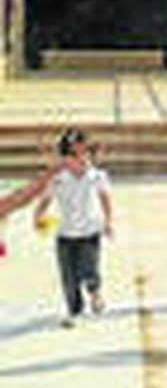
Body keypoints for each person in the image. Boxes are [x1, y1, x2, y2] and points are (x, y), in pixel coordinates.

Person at [33, 129, 112, 326]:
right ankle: (74, 310)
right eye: (74, 154)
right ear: (64, 157)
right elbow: (46, 199)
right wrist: (39, 215)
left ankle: (94, 291)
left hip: (90, 231)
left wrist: (108, 221)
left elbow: (105, 198)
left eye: (85, 153)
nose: (80, 158)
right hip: (65, 233)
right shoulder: (58, 178)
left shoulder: (97, 176)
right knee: (68, 276)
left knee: (89, 268)